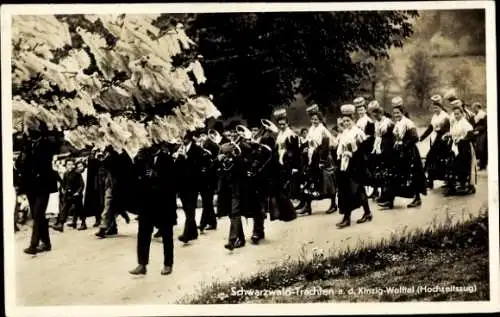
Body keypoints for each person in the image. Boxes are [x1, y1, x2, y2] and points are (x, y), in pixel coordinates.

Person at [129, 142, 178, 276]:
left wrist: (156, 175)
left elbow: (173, 181)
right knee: (143, 233)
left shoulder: (167, 159)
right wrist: (136, 160)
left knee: (167, 235)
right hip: (147, 203)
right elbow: (134, 175)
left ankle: (168, 264)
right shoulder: (143, 158)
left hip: (164, 203)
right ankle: (142, 264)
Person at [16, 115, 62, 254]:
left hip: (43, 184)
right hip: (30, 185)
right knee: (38, 216)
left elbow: (50, 155)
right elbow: (20, 163)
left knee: (38, 213)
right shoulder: (27, 144)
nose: (27, 130)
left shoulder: (47, 143)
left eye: (29, 128)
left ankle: (34, 245)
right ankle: (46, 243)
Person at [379, 97, 427, 209]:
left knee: (412, 175)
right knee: (395, 175)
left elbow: (415, 137)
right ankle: (390, 200)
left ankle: (417, 198)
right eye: (394, 113)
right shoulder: (398, 123)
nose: (396, 115)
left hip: (410, 153)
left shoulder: (407, 122)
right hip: (399, 153)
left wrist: (404, 144)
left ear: (402, 112)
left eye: (398, 113)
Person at [335, 104, 373, 228]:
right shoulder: (344, 133)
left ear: (353, 120)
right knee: (357, 190)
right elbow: (340, 149)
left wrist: (353, 153)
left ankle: (347, 218)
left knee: (351, 191)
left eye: (348, 121)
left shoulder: (358, 132)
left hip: (356, 164)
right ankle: (367, 213)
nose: (346, 123)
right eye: (344, 121)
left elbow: (365, 148)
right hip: (346, 164)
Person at [297, 104, 336, 215]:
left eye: (316, 119)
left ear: (320, 120)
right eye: (313, 119)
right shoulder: (311, 129)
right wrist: (306, 149)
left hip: (322, 158)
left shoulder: (322, 129)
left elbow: (329, 142)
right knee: (310, 181)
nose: (314, 121)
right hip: (312, 157)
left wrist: (322, 157)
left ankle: (333, 204)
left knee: (327, 182)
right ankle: (307, 206)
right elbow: (309, 142)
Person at [442, 101, 478, 196]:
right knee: (452, 166)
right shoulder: (455, 123)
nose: (456, 116)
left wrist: (461, 140)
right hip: (456, 147)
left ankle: (468, 186)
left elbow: (470, 135)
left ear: (462, 114)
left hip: (465, 148)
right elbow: (453, 133)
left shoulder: (466, 124)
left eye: (458, 114)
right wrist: (447, 135)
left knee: (463, 166)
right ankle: (454, 186)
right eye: (455, 114)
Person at [419, 95, 453, 189]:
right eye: (434, 108)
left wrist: (440, 138)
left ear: (441, 107)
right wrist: (422, 137)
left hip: (442, 141)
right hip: (434, 140)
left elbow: (446, 130)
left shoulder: (445, 116)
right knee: (433, 160)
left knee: (433, 159)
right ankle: (430, 180)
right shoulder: (434, 116)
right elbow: (430, 128)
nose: (435, 109)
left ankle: (444, 180)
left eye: (437, 107)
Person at [174, 131, 203, 244]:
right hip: (182, 184)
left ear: (190, 138)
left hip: (192, 184)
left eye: (185, 138)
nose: (183, 140)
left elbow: (197, 166)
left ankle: (186, 235)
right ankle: (193, 232)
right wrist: (176, 158)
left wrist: (185, 157)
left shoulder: (197, 149)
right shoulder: (179, 148)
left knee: (190, 209)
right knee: (187, 210)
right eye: (182, 138)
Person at [367, 100, 395, 204]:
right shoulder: (376, 123)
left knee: (387, 173)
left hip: (387, 149)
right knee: (380, 173)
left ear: (381, 113)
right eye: (374, 115)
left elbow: (392, 137)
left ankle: (389, 197)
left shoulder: (388, 123)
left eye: (377, 114)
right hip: (378, 149)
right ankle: (383, 195)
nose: (376, 117)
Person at [51, 159, 85, 232]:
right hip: (68, 195)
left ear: (74, 165)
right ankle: (61, 225)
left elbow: (82, 184)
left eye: (71, 164)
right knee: (64, 209)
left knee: (80, 209)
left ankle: (83, 223)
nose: (70, 166)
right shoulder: (66, 173)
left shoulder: (77, 173)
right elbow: (64, 183)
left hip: (76, 195)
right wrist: (64, 190)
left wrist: (78, 192)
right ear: (66, 165)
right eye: (68, 164)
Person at [198, 129, 219, 232]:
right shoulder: (203, 146)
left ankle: (203, 223)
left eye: (203, 135)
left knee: (207, 201)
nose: (202, 137)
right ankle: (212, 222)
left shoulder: (213, 146)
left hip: (210, 178)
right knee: (207, 202)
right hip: (203, 178)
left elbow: (213, 161)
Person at [471, 102, 488, 170]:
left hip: (482, 134)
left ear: (477, 107)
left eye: (474, 108)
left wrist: (479, 130)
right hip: (477, 133)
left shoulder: (483, 115)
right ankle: (481, 164)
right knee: (478, 149)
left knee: (482, 149)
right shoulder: (476, 115)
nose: (473, 109)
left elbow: (485, 125)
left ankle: (483, 164)